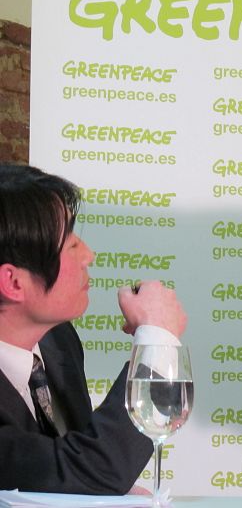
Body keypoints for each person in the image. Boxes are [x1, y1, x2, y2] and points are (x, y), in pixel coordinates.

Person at [0, 163, 187, 494]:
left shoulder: (58, 342)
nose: (88, 255)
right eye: (70, 245)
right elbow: (93, 469)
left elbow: (74, 471)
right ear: (12, 282)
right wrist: (157, 339)